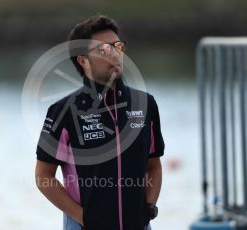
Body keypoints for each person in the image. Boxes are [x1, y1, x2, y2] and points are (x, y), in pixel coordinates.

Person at [35, 15, 164, 230]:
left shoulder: (145, 104)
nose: (115, 54)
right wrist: (84, 218)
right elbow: (43, 176)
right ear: (83, 61)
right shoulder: (63, 111)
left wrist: (149, 208)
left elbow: (154, 166)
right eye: (104, 49)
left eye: (118, 46)